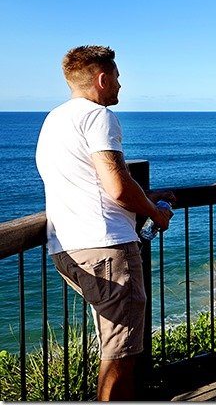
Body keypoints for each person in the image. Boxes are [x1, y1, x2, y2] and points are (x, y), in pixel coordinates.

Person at [35, 45, 174, 401]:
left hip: (65, 248)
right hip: (106, 246)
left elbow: (91, 182)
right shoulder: (99, 116)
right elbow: (116, 186)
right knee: (121, 355)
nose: (120, 86)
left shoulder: (53, 120)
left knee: (114, 345)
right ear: (101, 79)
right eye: (117, 78)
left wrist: (145, 196)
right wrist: (155, 212)